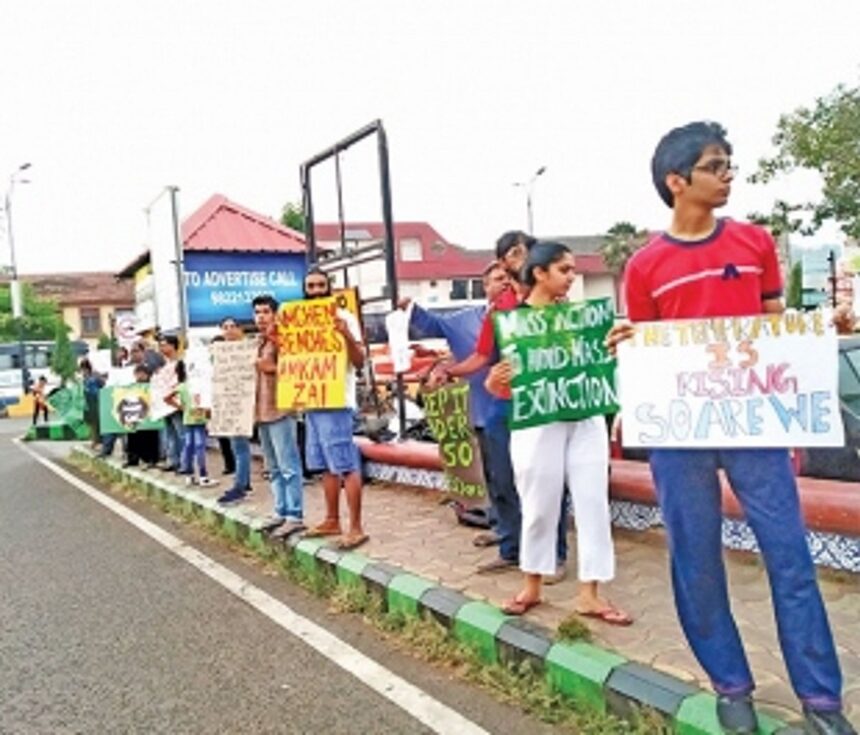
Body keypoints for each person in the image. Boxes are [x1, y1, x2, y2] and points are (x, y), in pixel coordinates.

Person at [608, 121, 853, 735]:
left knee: (789, 555)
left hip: (755, 423)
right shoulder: (644, 266)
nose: (728, 176)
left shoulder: (753, 244)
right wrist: (628, 344)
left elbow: (775, 325)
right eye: (716, 166)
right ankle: (730, 686)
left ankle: (821, 701)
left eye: (730, 165)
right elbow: (647, 343)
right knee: (695, 558)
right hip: (679, 434)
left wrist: (819, 326)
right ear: (676, 180)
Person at [485, 242, 628, 624]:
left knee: (593, 501)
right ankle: (532, 585)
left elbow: (604, 364)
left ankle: (590, 593)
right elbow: (500, 382)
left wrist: (615, 347)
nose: (572, 277)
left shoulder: (584, 321)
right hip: (538, 423)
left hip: (585, 418)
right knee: (538, 503)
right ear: (539, 274)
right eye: (564, 270)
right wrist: (495, 383)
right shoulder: (511, 323)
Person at [445, 231, 570, 582]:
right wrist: (447, 370)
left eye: (529, 251)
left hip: (544, 404)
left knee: (549, 481)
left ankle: (554, 555)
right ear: (502, 263)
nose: (525, 257)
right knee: (502, 478)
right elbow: (482, 356)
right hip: (504, 403)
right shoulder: (499, 309)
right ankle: (511, 548)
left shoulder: (555, 300)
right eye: (516, 253)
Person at [400, 260, 511, 546]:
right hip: (484, 409)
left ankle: (527, 536)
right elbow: (432, 324)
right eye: (498, 278)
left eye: (508, 277)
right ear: (485, 286)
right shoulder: (464, 320)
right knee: (494, 476)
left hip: (523, 408)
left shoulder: (527, 314)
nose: (504, 283)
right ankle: (502, 530)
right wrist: (410, 308)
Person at [301, 268, 368, 550]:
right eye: (311, 286)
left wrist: (346, 336)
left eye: (321, 285)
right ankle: (332, 519)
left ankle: (356, 527)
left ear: (330, 288)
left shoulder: (345, 318)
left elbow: (360, 361)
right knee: (325, 466)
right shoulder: (300, 320)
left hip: (337, 400)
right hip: (311, 400)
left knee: (345, 464)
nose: (316, 290)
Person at [252, 294, 304, 536]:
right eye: (257, 312)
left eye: (265, 312)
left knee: (288, 465)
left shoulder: (282, 339)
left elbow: (297, 369)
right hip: (261, 412)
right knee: (272, 467)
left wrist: (270, 368)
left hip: (281, 409)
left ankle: (295, 514)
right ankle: (280, 511)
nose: (261, 317)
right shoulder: (257, 342)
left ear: (275, 314)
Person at [215, 318, 253, 505]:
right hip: (228, 403)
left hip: (245, 402)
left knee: (240, 447)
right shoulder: (218, 353)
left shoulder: (249, 348)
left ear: (240, 329)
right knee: (236, 446)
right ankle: (243, 482)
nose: (229, 330)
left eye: (232, 326)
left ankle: (241, 485)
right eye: (225, 327)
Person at [167, 360, 217, 487]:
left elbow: (166, 398)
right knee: (200, 447)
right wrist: (209, 414)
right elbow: (207, 405)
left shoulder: (182, 386)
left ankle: (189, 475)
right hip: (199, 420)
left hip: (188, 419)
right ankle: (203, 475)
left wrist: (181, 407)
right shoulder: (200, 386)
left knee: (188, 446)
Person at [123, 364, 160, 468]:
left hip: (149, 416)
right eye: (137, 373)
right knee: (133, 437)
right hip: (135, 415)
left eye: (142, 374)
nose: (140, 376)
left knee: (150, 438)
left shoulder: (152, 386)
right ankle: (133, 459)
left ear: (147, 374)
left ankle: (151, 459)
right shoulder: (132, 386)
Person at [156, 335, 184, 472]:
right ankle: (173, 460)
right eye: (160, 345)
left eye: (164, 345)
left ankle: (185, 462)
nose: (162, 348)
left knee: (181, 434)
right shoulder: (163, 365)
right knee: (170, 434)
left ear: (173, 346)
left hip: (175, 403)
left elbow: (180, 384)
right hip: (164, 405)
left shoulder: (180, 363)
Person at [79, 358, 104, 448]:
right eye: (82, 369)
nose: (83, 371)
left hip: (96, 400)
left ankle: (97, 440)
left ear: (88, 367)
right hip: (88, 401)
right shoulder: (84, 378)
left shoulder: (95, 375)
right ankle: (94, 440)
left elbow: (103, 384)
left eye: (84, 368)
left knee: (97, 422)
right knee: (91, 422)